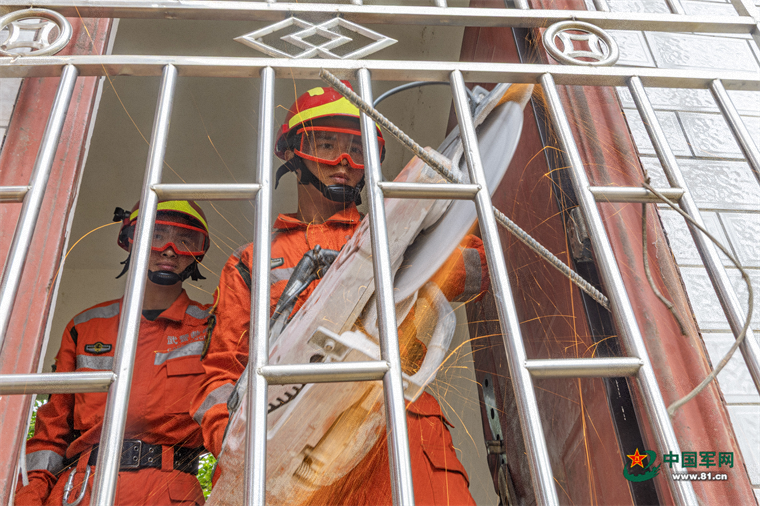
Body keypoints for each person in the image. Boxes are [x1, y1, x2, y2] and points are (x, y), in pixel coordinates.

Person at [192, 84, 489, 505]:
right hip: (303, 450)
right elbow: (224, 371)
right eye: (327, 145)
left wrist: (415, 231)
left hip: (399, 426)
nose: (344, 162)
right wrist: (236, 441)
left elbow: (476, 273)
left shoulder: (397, 231)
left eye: (356, 149)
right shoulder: (253, 261)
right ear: (293, 152)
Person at [16, 200, 212, 506]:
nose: (170, 250)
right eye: (156, 236)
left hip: (170, 494)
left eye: (185, 241)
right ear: (130, 240)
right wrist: (30, 496)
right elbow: (50, 434)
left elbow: (234, 430)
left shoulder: (211, 328)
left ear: (197, 254)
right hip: (83, 492)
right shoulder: (85, 327)